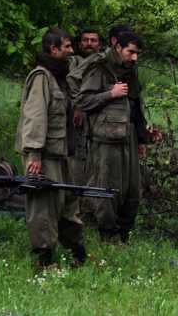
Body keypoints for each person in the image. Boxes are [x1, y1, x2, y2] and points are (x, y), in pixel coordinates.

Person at [15, 27, 86, 268]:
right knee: (44, 206)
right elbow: (35, 117)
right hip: (43, 155)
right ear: (53, 49)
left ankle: (77, 253)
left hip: (61, 152)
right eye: (66, 46)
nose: (71, 50)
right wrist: (34, 154)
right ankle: (43, 261)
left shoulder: (59, 77)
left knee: (67, 202)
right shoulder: (41, 77)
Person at [76, 31, 150, 243]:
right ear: (118, 47)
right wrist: (110, 94)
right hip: (105, 141)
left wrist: (142, 138)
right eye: (131, 52)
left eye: (138, 54)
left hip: (129, 137)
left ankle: (124, 234)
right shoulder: (99, 68)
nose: (135, 57)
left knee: (132, 190)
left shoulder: (130, 70)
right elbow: (83, 101)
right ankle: (108, 235)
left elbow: (136, 106)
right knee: (106, 189)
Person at [66, 28, 103, 223]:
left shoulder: (104, 62)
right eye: (86, 40)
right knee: (77, 165)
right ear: (80, 44)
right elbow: (71, 81)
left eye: (93, 40)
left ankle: (93, 210)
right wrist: (79, 105)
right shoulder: (73, 62)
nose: (89, 43)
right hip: (78, 123)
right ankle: (77, 210)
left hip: (100, 122)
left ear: (100, 44)